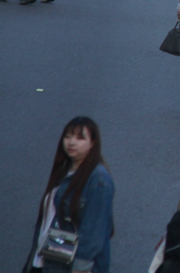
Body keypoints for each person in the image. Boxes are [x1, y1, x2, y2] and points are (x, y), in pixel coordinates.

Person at [24, 117, 114, 273]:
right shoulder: (64, 172)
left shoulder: (98, 180)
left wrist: (80, 268)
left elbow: (94, 232)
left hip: (70, 266)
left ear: (93, 143)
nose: (71, 142)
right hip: (45, 260)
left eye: (80, 138)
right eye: (68, 136)